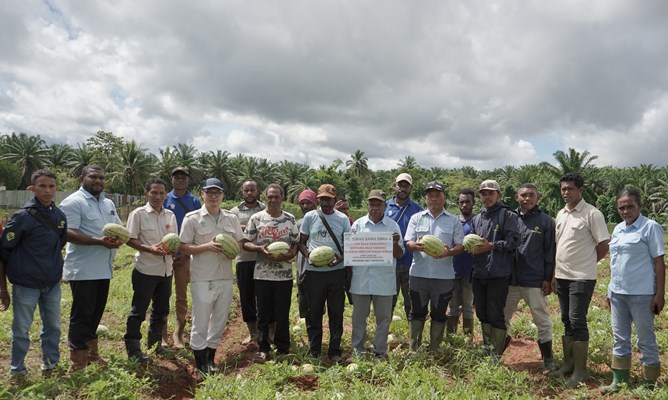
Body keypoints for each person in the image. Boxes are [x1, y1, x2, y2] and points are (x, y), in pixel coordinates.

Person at [0, 169, 67, 383]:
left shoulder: (59, 216)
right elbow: (3, 251)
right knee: (21, 329)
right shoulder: (21, 218)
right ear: (32, 188)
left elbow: (60, 245)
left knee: (53, 327)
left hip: (51, 284)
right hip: (26, 285)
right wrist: (2, 288)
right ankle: (17, 370)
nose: (48, 191)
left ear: (56, 189)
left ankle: (51, 364)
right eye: (42, 186)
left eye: (51, 186)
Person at [600, 188, 665, 393]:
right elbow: (616, 262)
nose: (625, 211)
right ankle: (619, 379)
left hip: (642, 293)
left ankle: (649, 383)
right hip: (618, 294)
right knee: (620, 337)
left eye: (630, 206)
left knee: (645, 337)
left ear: (640, 206)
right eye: (621, 207)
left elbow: (659, 263)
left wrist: (660, 294)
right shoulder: (618, 229)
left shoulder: (650, 227)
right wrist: (610, 291)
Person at [60, 164, 122, 371]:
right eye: (93, 177)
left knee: (95, 313)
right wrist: (99, 241)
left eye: (101, 178)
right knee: (82, 315)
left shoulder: (108, 203)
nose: (98, 181)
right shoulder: (73, 202)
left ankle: (92, 355)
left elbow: (119, 227)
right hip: (83, 270)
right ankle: (77, 363)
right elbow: (69, 232)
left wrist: (122, 238)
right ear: (82, 179)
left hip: (103, 269)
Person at [179, 178, 243, 379]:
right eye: (210, 193)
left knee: (219, 321)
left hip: (224, 277)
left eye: (217, 193)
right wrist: (206, 247)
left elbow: (239, 242)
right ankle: (200, 365)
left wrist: (234, 252)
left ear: (223, 195)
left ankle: (210, 360)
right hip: (202, 278)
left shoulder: (231, 218)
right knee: (201, 321)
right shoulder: (192, 218)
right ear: (202, 194)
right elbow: (183, 246)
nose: (214, 196)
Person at [551, 172, 610, 387]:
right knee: (566, 319)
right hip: (562, 276)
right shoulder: (561, 214)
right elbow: (559, 247)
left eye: (570, 189)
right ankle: (568, 364)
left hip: (582, 278)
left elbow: (604, 244)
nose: (566, 192)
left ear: (580, 190)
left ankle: (581, 371)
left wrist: (586, 263)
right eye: (563, 189)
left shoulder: (592, 214)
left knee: (577, 319)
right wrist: (555, 274)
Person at [241, 184, 299, 362]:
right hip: (262, 274)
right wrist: (259, 248)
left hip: (284, 275)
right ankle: (263, 348)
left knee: (282, 312)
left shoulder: (290, 219)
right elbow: (245, 242)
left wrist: (291, 253)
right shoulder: (256, 218)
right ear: (265, 198)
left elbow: (296, 243)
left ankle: (283, 347)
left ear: (282, 198)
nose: (273, 200)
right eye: (270, 197)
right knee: (263, 313)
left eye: (276, 196)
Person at [405, 181, 464, 352]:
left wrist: (449, 252)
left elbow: (460, 245)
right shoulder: (417, 218)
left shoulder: (453, 220)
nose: (434, 199)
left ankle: (434, 348)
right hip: (418, 273)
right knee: (417, 312)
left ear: (444, 198)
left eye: (437, 195)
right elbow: (408, 241)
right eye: (430, 195)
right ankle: (414, 348)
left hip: (443, 276)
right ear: (425, 199)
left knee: (439, 313)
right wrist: (413, 245)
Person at [123, 178, 178, 363]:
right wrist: (150, 249)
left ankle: (155, 346)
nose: (158, 196)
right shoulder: (138, 214)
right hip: (145, 270)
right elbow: (130, 239)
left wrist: (174, 250)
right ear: (146, 193)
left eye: (162, 193)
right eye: (154, 192)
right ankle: (133, 349)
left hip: (166, 270)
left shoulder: (170, 215)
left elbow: (174, 241)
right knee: (138, 310)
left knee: (161, 310)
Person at [503, 184, 556, 373]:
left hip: (534, 279)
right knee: (502, 318)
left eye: (531, 195)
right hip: (510, 280)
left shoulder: (546, 221)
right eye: (523, 195)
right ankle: (496, 356)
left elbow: (550, 251)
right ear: (516, 197)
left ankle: (548, 359)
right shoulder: (508, 218)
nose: (527, 198)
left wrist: (547, 278)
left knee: (542, 319)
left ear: (538, 197)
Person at [298, 183, 350, 362]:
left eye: (329, 199)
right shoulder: (310, 217)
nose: (325, 203)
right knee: (314, 313)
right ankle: (314, 350)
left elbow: (348, 245)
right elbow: (301, 242)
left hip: (336, 272)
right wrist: (309, 256)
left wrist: (340, 259)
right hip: (314, 273)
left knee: (336, 313)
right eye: (322, 200)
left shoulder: (342, 219)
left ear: (335, 200)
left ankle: (334, 351)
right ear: (318, 200)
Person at [349, 189, 404, 358]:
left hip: (384, 281)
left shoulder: (392, 226)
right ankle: (357, 350)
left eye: (378, 204)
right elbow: (350, 251)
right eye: (371, 204)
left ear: (384, 206)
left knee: (384, 319)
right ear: (368, 205)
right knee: (358, 318)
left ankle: (379, 351)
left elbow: (400, 254)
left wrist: (394, 244)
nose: (374, 208)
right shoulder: (358, 225)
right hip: (361, 280)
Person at [470, 179, 519, 359]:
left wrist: (492, 246)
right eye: (483, 193)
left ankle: (495, 355)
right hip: (479, 272)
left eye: (491, 193)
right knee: (482, 312)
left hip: (498, 273)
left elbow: (514, 242)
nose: (487, 197)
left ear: (499, 195)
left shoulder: (507, 215)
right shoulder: (477, 218)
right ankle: (487, 348)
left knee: (495, 313)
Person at [164, 167, 201, 348]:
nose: (180, 180)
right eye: (176, 177)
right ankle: (162, 333)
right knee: (162, 294)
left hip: (184, 256)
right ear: (172, 180)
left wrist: (185, 253)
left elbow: (199, 228)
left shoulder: (194, 201)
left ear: (188, 180)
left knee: (181, 295)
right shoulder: (164, 198)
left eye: (183, 177)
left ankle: (178, 332)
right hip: (162, 254)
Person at [230, 180, 266, 345]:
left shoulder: (266, 209)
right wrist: (240, 229)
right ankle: (252, 333)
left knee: (264, 297)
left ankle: (266, 332)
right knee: (247, 297)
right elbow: (229, 234)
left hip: (263, 260)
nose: (249, 193)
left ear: (257, 191)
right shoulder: (234, 212)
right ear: (242, 192)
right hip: (243, 259)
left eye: (252, 190)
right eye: (246, 190)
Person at [385, 173, 423, 320]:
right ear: (395, 186)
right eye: (400, 185)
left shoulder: (418, 210)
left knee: (411, 301)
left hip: (410, 262)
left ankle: (412, 337)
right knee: (388, 300)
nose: (402, 188)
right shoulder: (385, 206)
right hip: (389, 262)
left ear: (411, 188)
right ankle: (383, 335)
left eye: (406, 185)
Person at [446, 189, 476, 335]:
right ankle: (451, 338)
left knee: (468, 306)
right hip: (452, 270)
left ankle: (467, 339)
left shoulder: (477, 221)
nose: (464, 205)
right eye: (462, 202)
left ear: (473, 203)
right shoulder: (452, 221)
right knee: (452, 306)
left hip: (470, 272)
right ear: (458, 204)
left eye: (468, 202)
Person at [295, 189, 317, 320]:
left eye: (308, 203)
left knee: (317, 304)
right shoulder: (298, 223)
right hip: (302, 268)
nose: (305, 206)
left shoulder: (320, 220)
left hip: (317, 270)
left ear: (315, 203)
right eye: (302, 203)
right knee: (305, 304)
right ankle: (311, 335)